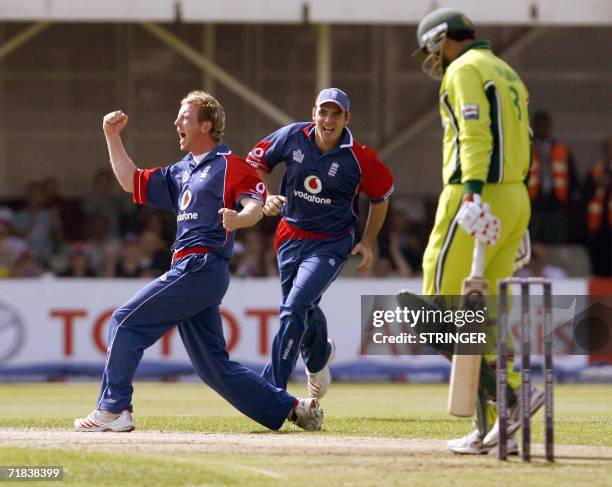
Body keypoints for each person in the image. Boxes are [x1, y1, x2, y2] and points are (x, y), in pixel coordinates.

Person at [74, 90, 322, 433]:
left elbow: (254, 205)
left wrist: (239, 218)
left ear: (206, 125)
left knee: (125, 323)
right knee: (213, 368)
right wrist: (112, 137)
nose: (176, 123)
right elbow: (132, 181)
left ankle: (114, 409)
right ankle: (295, 408)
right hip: (194, 271)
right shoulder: (182, 171)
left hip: (200, 267)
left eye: (184, 118)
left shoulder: (231, 165)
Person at [408, 7, 543, 455]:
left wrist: (471, 193)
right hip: (515, 198)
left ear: (443, 38)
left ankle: (507, 396)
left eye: (432, 47)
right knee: (483, 315)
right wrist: (512, 204)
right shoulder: (507, 70)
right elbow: (522, 140)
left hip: (475, 192)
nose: (433, 58)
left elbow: (474, 132)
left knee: (432, 305)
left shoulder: (464, 69)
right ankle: (500, 412)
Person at [246, 88, 394, 399]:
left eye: (335, 114)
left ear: (346, 118)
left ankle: (272, 390)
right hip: (289, 236)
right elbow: (256, 162)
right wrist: (267, 196)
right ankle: (318, 357)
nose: (328, 120)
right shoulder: (292, 136)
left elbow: (381, 198)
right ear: (313, 113)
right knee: (301, 308)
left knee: (295, 306)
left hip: (332, 243)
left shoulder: (360, 157)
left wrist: (367, 242)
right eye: (322, 113)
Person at [528, 111, 581, 244]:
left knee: (556, 239)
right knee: (532, 239)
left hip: (555, 203)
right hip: (533, 202)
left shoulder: (560, 149)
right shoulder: (527, 149)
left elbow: (572, 176)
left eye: (544, 127)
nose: (542, 130)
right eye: (539, 127)